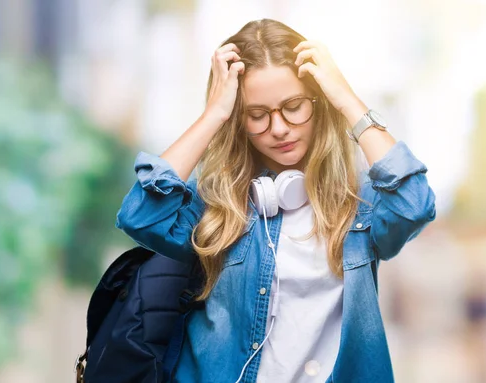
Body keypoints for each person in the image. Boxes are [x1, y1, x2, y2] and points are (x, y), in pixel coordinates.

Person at [116, 18, 436, 383]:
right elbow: (140, 215)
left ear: (319, 102)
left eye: (294, 105)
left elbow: (415, 203)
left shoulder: (357, 201)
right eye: (257, 115)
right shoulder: (218, 205)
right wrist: (214, 114)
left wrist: (347, 100)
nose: (279, 128)